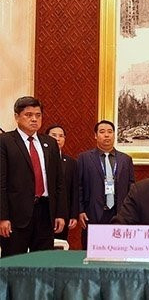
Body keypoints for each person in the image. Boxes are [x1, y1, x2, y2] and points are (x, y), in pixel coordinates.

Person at [0, 96, 66, 257]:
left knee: (43, 263)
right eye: (28, 115)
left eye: (38, 115)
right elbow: (1, 183)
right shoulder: (5, 142)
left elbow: (59, 182)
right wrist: (2, 217)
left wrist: (60, 214)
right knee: (14, 264)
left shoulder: (49, 143)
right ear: (17, 117)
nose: (34, 119)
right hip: (16, 216)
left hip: (45, 212)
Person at [78, 120, 135, 249]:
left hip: (119, 212)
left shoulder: (126, 159)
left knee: (117, 249)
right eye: (102, 132)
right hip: (93, 212)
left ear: (114, 135)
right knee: (91, 249)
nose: (107, 135)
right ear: (95, 135)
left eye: (110, 132)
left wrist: (130, 211)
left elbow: (132, 186)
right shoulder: (84, 158)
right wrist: (80, 210)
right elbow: (79, 186)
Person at [46, 124, 79, 240]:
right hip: (41, 213)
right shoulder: (39, 159)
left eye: (61, 136)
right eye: (53, 135)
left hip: (63, 214)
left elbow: (74, 190)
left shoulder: (71, 162)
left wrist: (73, 215)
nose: (57, 139)